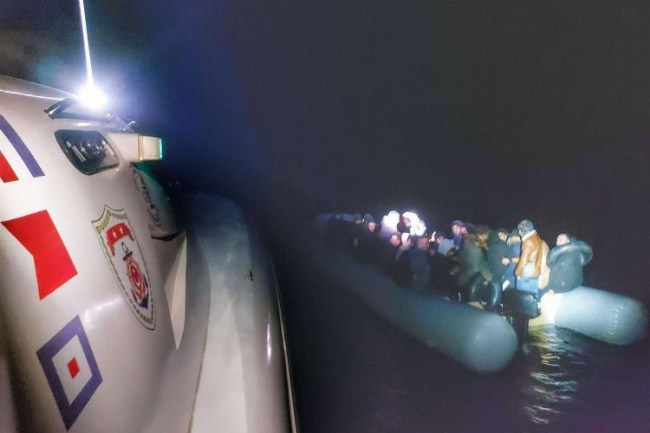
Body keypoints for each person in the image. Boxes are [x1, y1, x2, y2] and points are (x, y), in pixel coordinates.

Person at [514, 219, 550, 296]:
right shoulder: (537, 238)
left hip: (526, 275)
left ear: (522, 231)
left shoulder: (528, 241)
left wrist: (517, 273)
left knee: (522, 299)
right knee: (531, 297)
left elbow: (523, 262)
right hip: (535, 273)